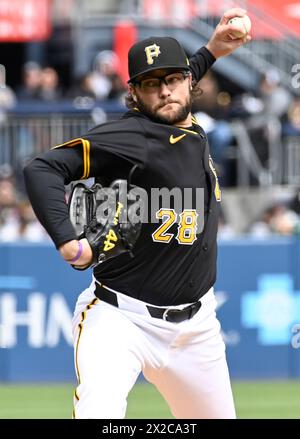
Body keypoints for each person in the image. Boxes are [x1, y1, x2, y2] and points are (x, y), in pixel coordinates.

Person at [24, 9, 250, 419]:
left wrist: (213, 49)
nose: (163, 91)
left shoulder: (184, 115)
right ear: (134, 94)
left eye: (172, 80)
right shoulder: (132, 136)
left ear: (189, 82)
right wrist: (67, 240)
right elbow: (41, 168)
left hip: (197, 329)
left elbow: (179, 78)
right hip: (119, 319)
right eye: (149, 84)